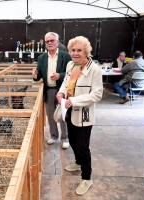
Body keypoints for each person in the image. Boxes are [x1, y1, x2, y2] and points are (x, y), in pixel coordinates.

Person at [56, 36, 103, 195]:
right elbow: (65, 83)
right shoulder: (71, 65)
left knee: (83, 146)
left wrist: (74, 101)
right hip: (68, 110)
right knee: (74, 141)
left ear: (86, 52)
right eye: (73, 50)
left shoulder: (94, 69)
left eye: (79, 50)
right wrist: (61, 93)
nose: (75, 53)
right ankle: (77, 162)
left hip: (83, 114)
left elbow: (97, 95)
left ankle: (87, 177)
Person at [32, 32, 72, 149]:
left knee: (63, 114)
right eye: (47, 41)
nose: (50, 43)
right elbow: (39, 75)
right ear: (45, 44)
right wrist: (35, 75)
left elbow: (72, 73)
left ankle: (65, 138)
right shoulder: (42, 58)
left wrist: (60, 75)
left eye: (52, 40)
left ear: (57, 42)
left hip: (62, 90)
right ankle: (54, 136)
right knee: (50, 115)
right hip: (48, 90)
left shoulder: (66, 56)